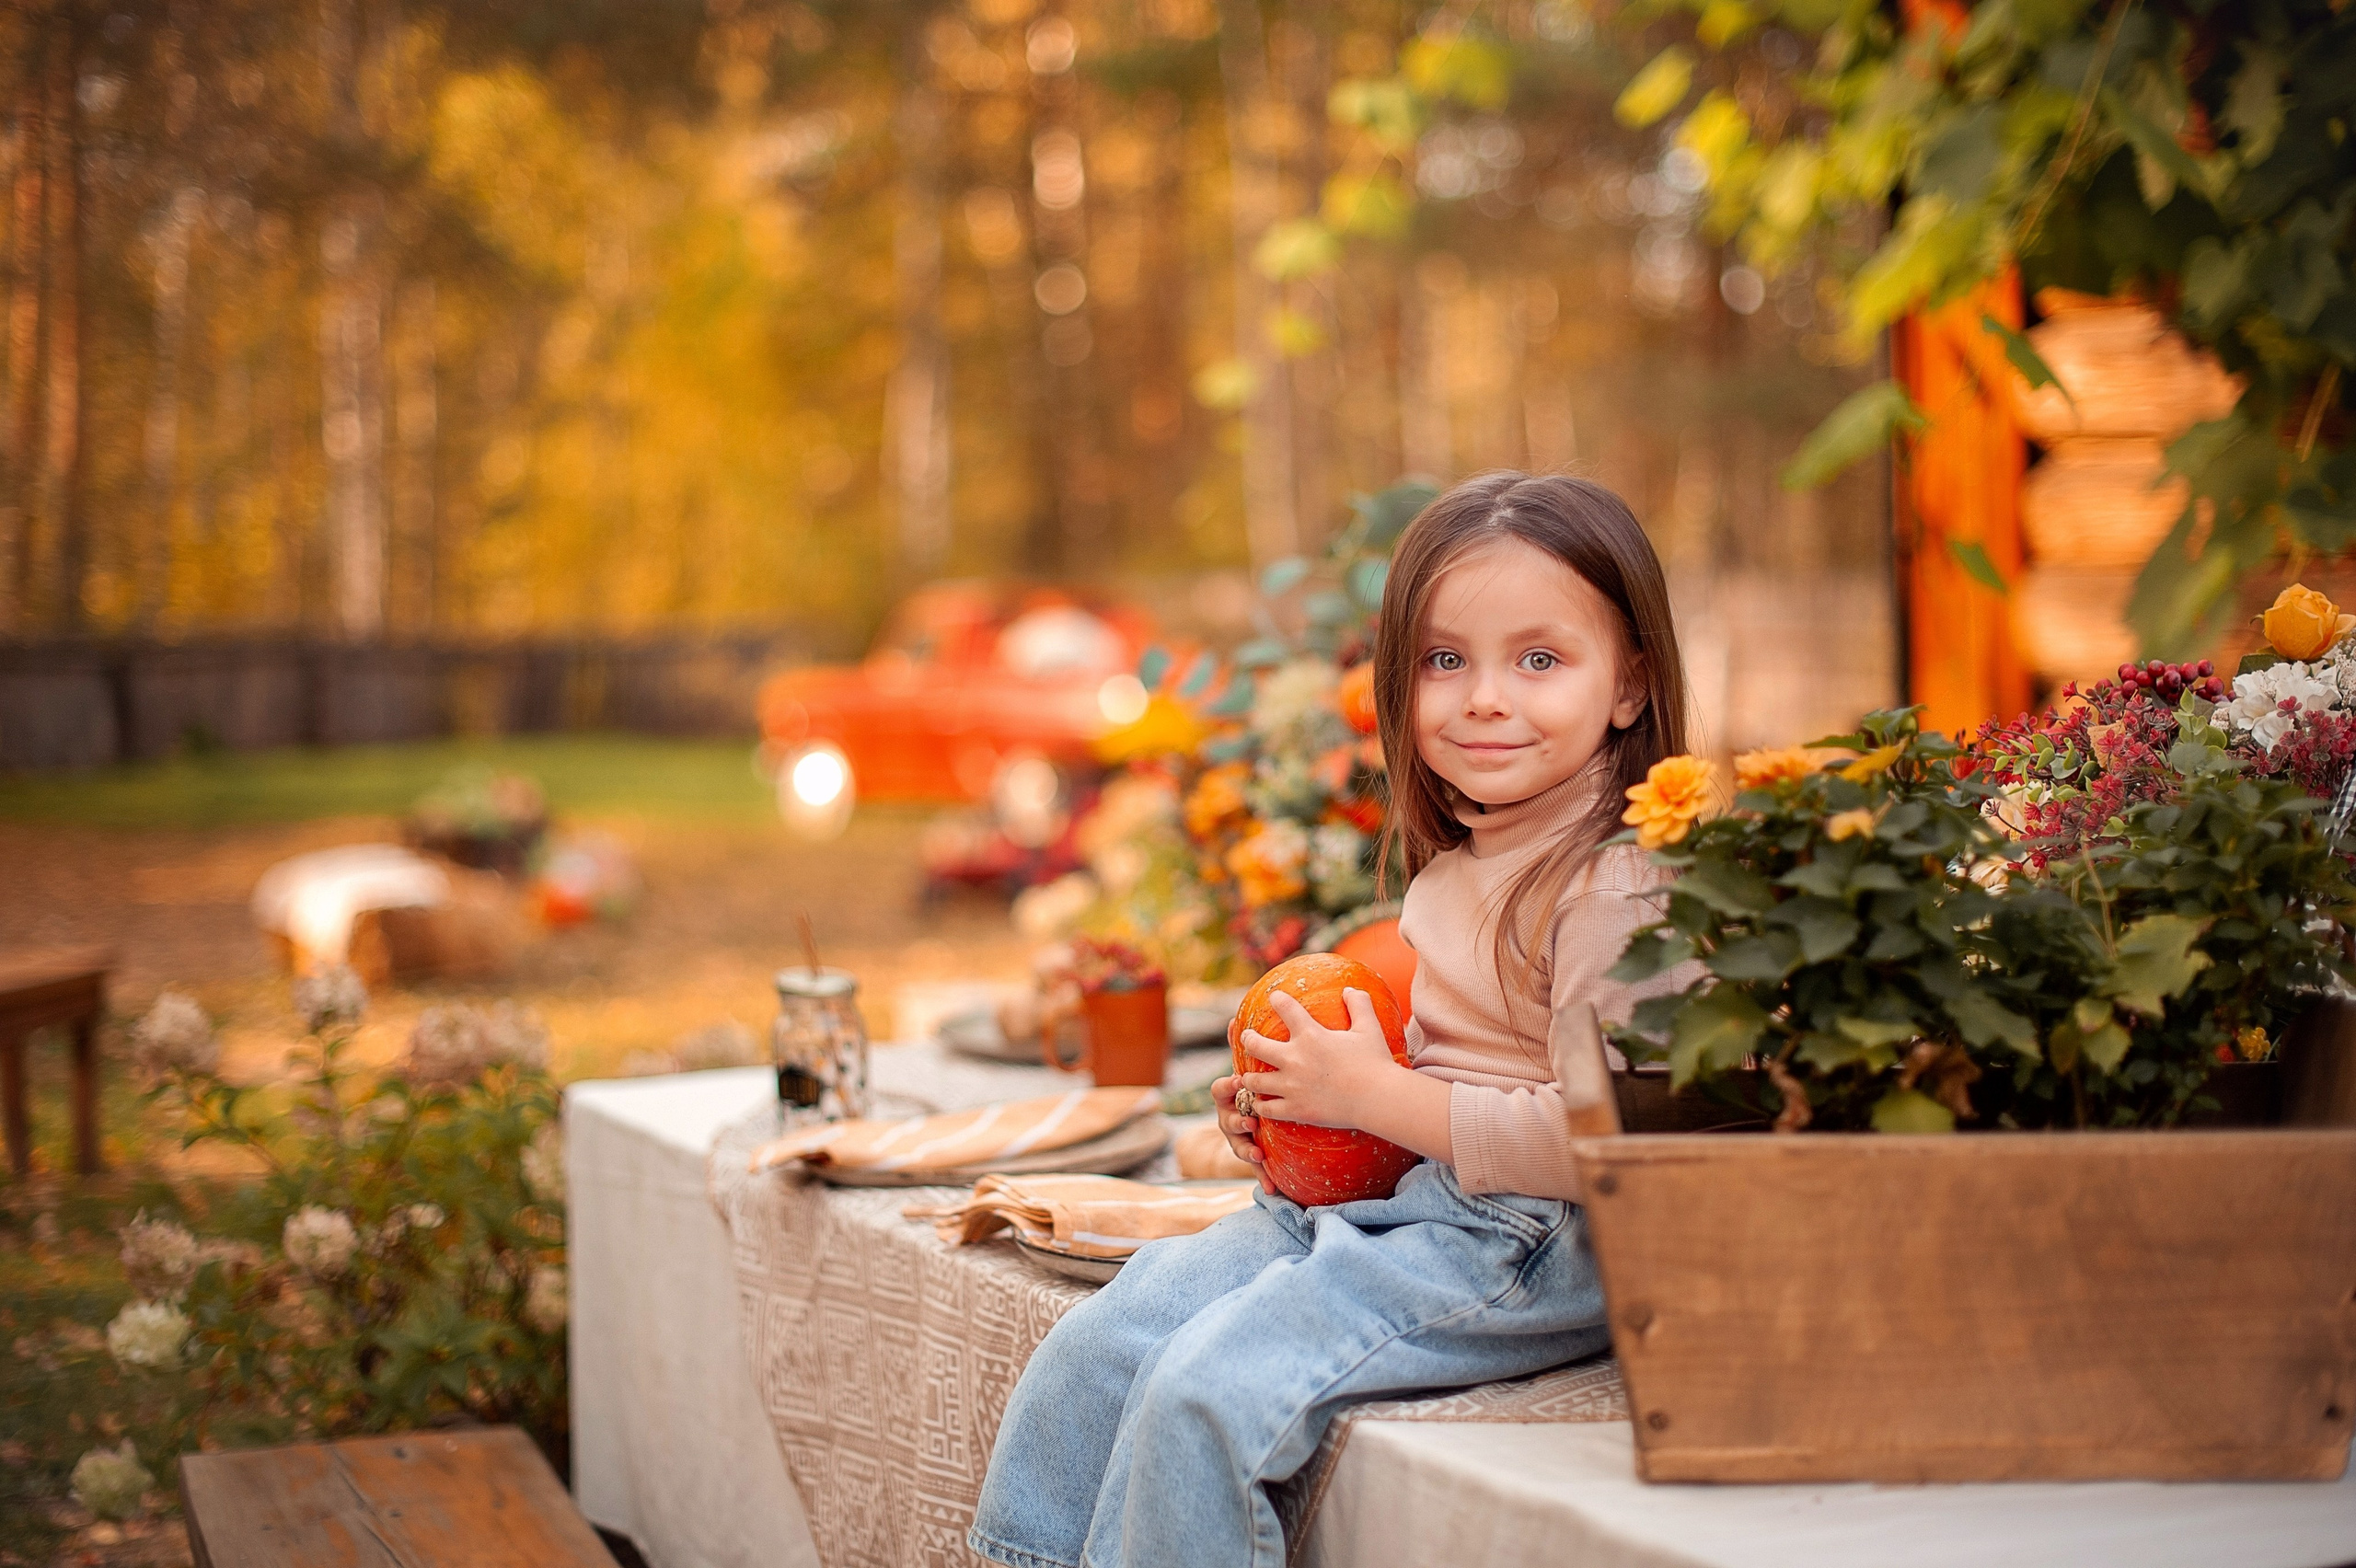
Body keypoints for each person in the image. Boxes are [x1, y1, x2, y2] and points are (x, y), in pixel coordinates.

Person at [969, 471, 1697, 1568]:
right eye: (1444, 661)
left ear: (1630, 683)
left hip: (1535, 1239)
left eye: (1539, 660)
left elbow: (1611, 1144)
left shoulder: (1615, 885)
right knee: (1104, 1342)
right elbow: (1443, 1081)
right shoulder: (1470, 857)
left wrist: (1375, 1095)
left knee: (1207, 1391)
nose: (1484, 698)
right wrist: (1306, 1119)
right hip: (1422, 1200)